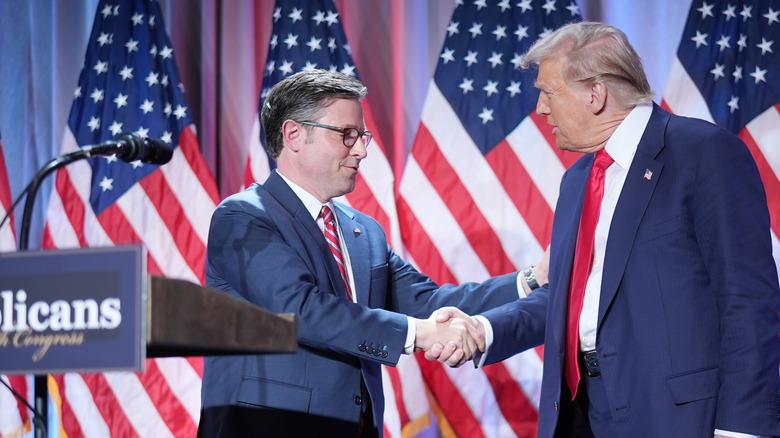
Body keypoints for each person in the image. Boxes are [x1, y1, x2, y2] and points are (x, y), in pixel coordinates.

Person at [440, 21, 780, 438]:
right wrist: (484, 329)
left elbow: (747, 300)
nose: (541, 108)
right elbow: (570, 296)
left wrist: (743, 428)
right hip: (583, 414)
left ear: (595, 94)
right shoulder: (578, 179)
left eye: (548, 92)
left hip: (676, 417)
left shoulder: (701, 153)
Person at [197, 69, 548, 437]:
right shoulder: (243, 217)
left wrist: (531, 278)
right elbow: (301, 309)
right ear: (294, 134)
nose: (362, 150)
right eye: (347, 135)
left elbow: (428, 301)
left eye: (362, 136)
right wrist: (419, 334)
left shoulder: (362, 231)